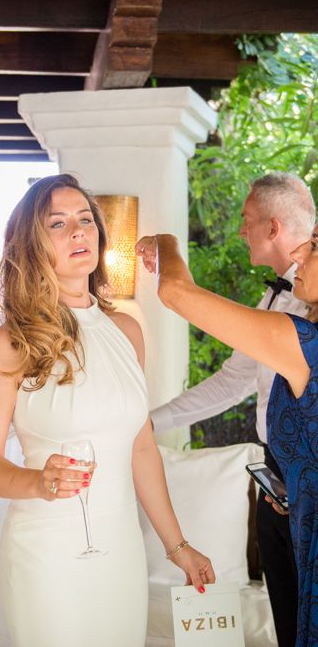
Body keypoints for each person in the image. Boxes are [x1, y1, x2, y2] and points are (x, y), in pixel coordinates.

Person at [0, 173, 214, 647]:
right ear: (32, 244)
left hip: (120, 548)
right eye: (57, 224)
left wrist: (177, 546)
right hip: (46, 552)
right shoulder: (8, 345)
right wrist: (36, 482)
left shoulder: (126, 330)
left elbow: (141, 447)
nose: (78, 231)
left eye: (85, 219)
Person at [150, 172, 314, 647]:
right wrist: (149, 423)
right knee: (288, 617)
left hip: (309, 489)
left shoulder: (302, 323)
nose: (240, 231)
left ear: (274, 227)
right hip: (275, 482)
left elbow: (177, 293)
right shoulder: (273, 298)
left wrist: (165, 244)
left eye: (246, 221)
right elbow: (233, 382)